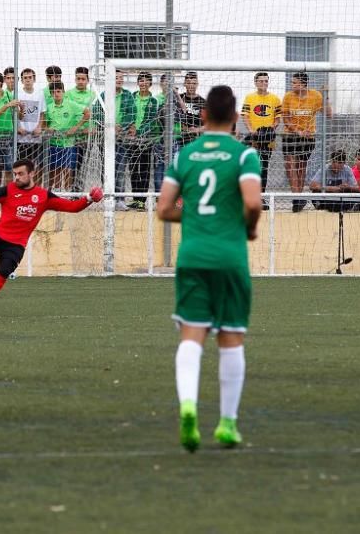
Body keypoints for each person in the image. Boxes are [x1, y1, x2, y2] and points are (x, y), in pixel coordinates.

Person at [155, 84, 263, 453]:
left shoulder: (184, 155)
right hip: (230, 257)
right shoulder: (245, 155)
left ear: (202, 116)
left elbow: (164, 209)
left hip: (193, 255)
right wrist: (246, 226)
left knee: (191, 334)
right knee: (231, 337)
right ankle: (227, 424)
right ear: (236, 118)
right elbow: (252, 202)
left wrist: (198, 215)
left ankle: (188, 407)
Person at [0, 158, 103, 319]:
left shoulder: (44, 196)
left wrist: (89, 198)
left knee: (3, 273)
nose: (16, 177)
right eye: (15, 173)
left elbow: (72, 207)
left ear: (31, 174)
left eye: (20, 173)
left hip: (16, 245)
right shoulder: (6, 190)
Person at [280, 71, 331, 212]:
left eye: (295, 83)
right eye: (292, 82)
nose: (292, 85)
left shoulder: (315, 96)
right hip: (290, 135)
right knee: (290, 165)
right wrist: (297, 131)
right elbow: (285, 118)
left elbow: (329, 114)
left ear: (303, 84)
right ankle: (297, 197)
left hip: (308, 137)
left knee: (301, 167)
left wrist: (326, 96)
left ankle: (298, 198)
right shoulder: (288, 96)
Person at [92, 70, 137, 210]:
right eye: (116, 77)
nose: (119, 80)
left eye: (121, 78)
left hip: (122, 139)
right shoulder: (104, 95)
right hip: (105, 139)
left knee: (120, 169)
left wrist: (121, 128)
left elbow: (132, 113)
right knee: (106, 169)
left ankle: (120, 199)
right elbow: (96, 114)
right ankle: (108, 198)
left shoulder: (128, 95)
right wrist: (109, 126)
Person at [241, 72, 281, 205]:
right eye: (261, 81)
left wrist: (270, 129)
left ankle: (261, 197)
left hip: (268, 139)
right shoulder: (249, 98)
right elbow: (245, 116)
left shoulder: (275, 99)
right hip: (254, 137)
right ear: (256, 82)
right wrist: (252, 130)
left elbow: (277, 119)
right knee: (250, 166)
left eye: (266, 81)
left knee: (264, 167)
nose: (264, 83)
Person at [42, 82, 87, 191]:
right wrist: (49, 130)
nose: (56, 94)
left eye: (58, 91)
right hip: (54, 143)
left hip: (69, 143)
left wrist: (76, 127)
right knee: (55, 168)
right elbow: (44, 125)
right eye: (53, 92)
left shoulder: (71, 105)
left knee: (67, 169)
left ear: (63, 92)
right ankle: (56, 191)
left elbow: (87, 113)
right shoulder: (48, 107)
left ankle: (67, 192)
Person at [126, 71, 161, 210]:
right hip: (131, 139)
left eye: (146, 81)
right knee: (133, 168)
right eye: (141, 80)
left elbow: (152, 121)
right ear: (137, 82)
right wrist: (130, 127)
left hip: (146, 140)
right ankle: (135, 198)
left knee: (145, 169)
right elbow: (127, 113)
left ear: (150, 84)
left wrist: (139, 131)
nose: (143, 83)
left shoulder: (154, 101)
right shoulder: (131, 97)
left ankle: (142, 200)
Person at [15, 68, 47, 170]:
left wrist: (39, 127)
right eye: (25, 78)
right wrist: (18, 127)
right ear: (22, 80)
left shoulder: (40, 93)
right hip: (21, 138)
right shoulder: (17, 93)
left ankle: (33, 186)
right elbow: (13, 114)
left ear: (34, 79)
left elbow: (42, 113)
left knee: (35, 167)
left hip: (35, 137)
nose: (28, 80)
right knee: (22, 166)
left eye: (30, 77)